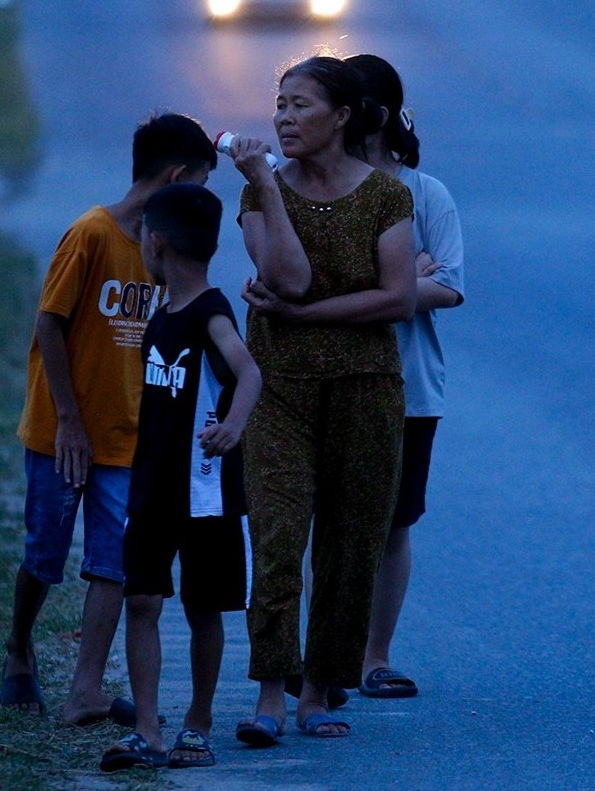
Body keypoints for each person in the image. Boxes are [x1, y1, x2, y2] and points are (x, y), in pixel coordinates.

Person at [0, 112, 218, 726]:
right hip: (62, 430)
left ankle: (85, 689)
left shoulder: (166, 254)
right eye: (199, 185)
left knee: (112, 561)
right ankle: (19, 647)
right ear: (176, 177)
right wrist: (68, 417)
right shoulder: (92, 234)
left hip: (128, 437)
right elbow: (50, 321)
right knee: (45, 552)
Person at [227, 55, 416, 744]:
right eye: (279, 104)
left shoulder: (387, 197)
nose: (283, 117)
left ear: (340, 116)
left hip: (366, 388)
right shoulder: (258, 192)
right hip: (278, 386)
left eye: (300, 104)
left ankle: (317, 691)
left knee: (351, 541)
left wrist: (306, 317)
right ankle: (271, 693)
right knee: (278, 534)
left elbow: (397, 297)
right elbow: (288, 275)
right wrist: (268, 189)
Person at [100, 183, 263, 771]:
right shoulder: (162, 311)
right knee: (141, 600)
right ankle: (147, 728)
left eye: (143, 236)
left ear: (158, 242)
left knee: (203, 608)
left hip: (205, 488)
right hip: (152, 487)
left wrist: (233, 428)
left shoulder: (210, 312)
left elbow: (248, 373)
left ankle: (196, 723)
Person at [345, 53, 464, 700]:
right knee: (328, 519)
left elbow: (449, 285)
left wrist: (402, 287)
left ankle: (375, 655)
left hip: (409, 385)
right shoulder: (313, 185)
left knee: (392, 523)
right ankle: (325, 653)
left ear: (374, 116)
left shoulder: (425, 193)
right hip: (329, 375)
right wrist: (401, 280)